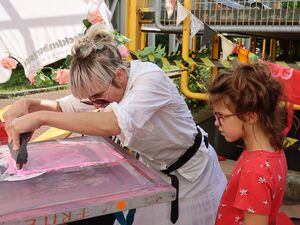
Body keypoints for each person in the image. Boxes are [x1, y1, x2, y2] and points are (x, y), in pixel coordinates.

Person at [3, 24, 226, 225]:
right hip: (155, 174)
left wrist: (41, 118)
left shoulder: (150, 79)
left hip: (194, 180)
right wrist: (27, 104)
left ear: (119, 75)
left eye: (98, 99)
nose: (95, 105)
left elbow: (112, 123)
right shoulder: (105, 89)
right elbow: (63, 107)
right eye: (90, 101)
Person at [207, 63, 288, 225]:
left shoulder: (255, 171)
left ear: (251, 116)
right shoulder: (274, 151)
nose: (216, 123)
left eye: (221, 116)